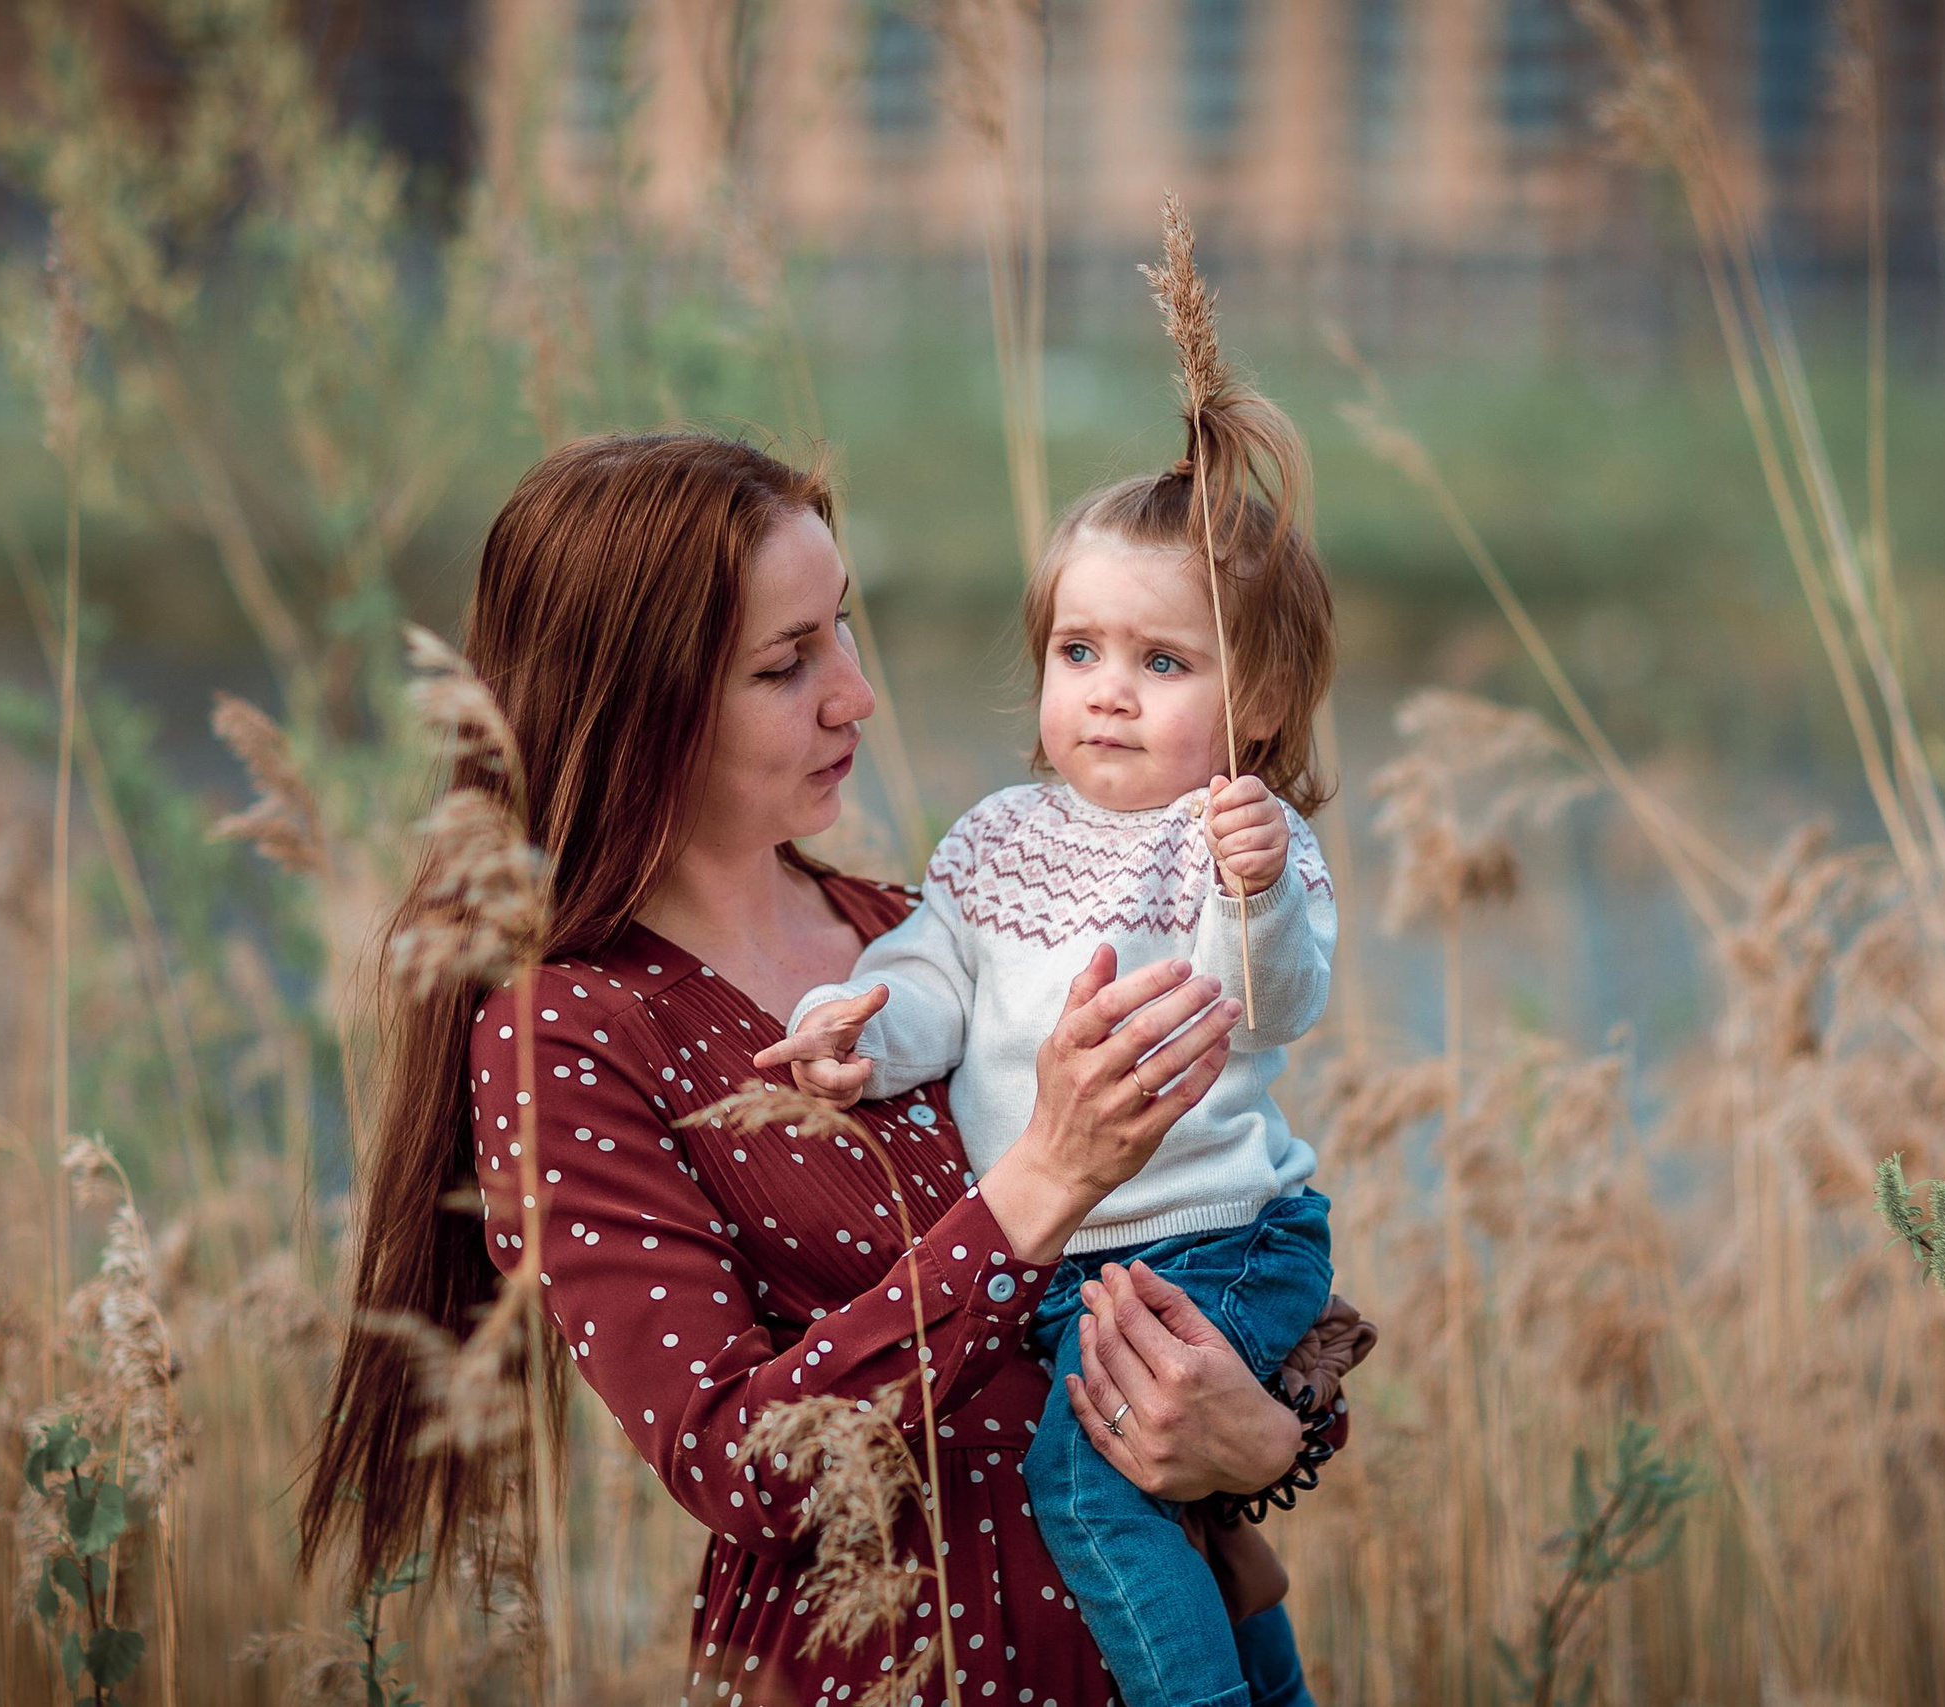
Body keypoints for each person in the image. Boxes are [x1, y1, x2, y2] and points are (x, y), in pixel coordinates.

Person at [299, 432, 1351, 1705]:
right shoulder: (569, 1034)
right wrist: (1045, 1179)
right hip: (897, 1668)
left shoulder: (897, 932)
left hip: (1148, 1654)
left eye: (842, 630)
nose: (856, 694)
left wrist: (1267, 1437)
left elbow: (1183, 1269)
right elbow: (743, 1461)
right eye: (787, 663)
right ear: (642, 702)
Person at [759, 364, 1340, 1707]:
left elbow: (1275, 1002)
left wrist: (1254, 889)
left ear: (1254, 704)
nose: (1111, 692)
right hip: (1071, 1260)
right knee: (1178, 1506)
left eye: (1164, 661)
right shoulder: (996, 838)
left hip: (1221, 1237)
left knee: (1085, 1480)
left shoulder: (1239, 840)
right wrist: (855, 1029)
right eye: (1079, 653)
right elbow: (933, 977)